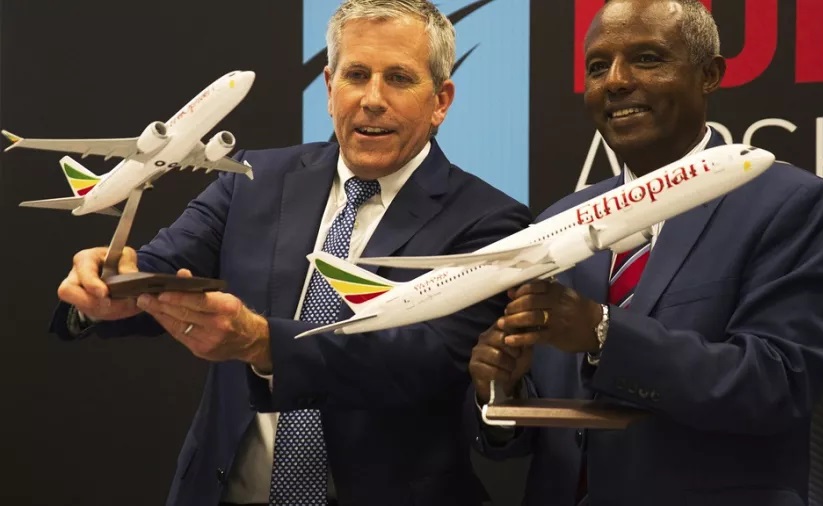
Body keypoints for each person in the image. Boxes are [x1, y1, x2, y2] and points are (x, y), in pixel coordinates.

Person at [51, 1, 531, 505]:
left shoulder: (491, 222)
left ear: (440, 101)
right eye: (356, 75)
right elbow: (158, 270)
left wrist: (263, 344)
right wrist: (108, 287)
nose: (372, 99)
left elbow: (424, 362)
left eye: (398, 79)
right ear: (329, 88)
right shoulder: (252, 178)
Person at [466, 1, 823, 505]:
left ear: (709, 74)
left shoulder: (787, 203)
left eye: (646, 58)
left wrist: (604, 333)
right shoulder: (558, 222)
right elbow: (536, 436)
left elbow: (778, 384)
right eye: (598, 66)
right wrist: (502, 391)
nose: (616, 81)